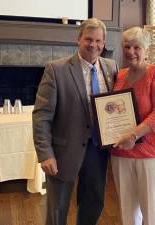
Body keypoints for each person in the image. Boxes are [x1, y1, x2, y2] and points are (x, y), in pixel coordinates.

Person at [32, 18, 118, 225]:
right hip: (63, 152)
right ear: (79, 39)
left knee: (93, 202)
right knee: (58, 208)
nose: (93, 45)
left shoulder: (111, 67)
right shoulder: (56, 70)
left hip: (98, 150)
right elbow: (41, 116)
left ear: (104, 42)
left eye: (98, 40)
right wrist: (45, 154)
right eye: (88, 39)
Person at [111, 26, 155, 225]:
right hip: (122, 153)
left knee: (154, 212)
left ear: (147, 50)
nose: (131, 52)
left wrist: (133, 135)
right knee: (127, 211)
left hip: (152, 152)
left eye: (137, 47)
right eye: (127, 46)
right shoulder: (119, 75)